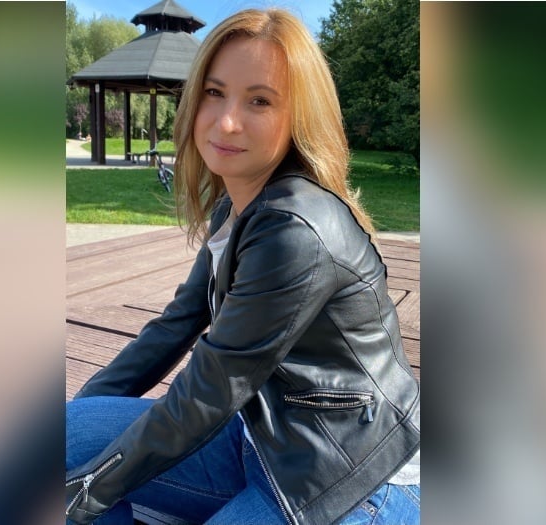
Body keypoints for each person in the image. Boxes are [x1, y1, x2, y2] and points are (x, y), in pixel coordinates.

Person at [66, 8, 420, 525]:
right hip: (260, 433)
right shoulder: (235, 208)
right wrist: (79, 421)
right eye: (214, 92)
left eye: (260, 100)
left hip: (352, 472)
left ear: (299, 116)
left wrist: (86, 492)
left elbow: (210, 390)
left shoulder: (295, 230)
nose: (227, 120)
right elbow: (174, 326)